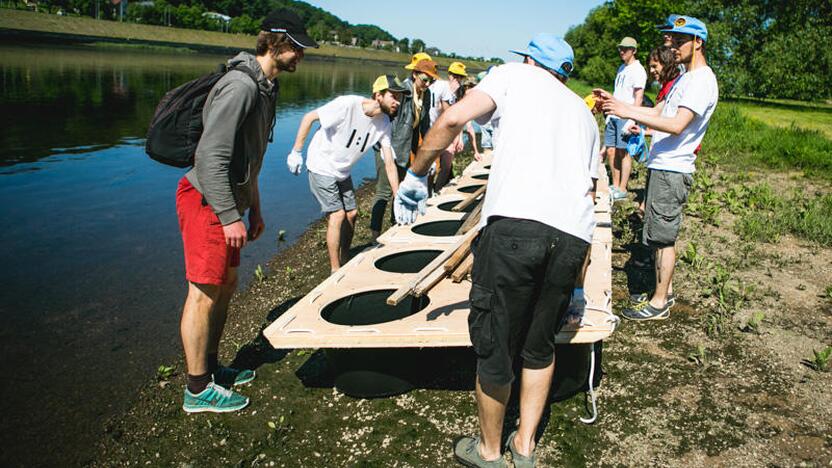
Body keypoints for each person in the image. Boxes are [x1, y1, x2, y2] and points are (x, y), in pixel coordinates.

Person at [395, 34, 598, 467]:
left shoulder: (512, 75)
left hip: (514, 230)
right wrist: (578, 284)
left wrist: (415, 176)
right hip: (572, 238)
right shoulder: (584, 115)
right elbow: (590, 190)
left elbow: (452, 119)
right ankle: (524, 448)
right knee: (540, 346)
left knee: (495, 346)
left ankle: (488, 452)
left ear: (529, 60)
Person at [176, 9, 316, 413]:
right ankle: (197, 389)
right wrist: (227, 215)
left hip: (230, 202)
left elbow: (249, 158)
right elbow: (210, 156)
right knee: (203, 293)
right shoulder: (240, 86)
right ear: (276, 43)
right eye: (298, 48)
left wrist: (253, 208)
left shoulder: (266, 88)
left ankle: (211, 368)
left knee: (226, 286)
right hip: (206, 200)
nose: (301, 56)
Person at [595, 15, 719, 321]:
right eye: (672, 40)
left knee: (663, 238)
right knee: (657, 233)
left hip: (674, 169)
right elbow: (658, 111)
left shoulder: (703, 81)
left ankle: (660, 302)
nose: (673, 46)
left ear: (697, 43)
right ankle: (665, 290)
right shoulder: (685, 79)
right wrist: (618, 105)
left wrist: (625, 110)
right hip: (662, 164)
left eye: (679, 41)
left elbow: (677, 125)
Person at [286, 75, 407, 272]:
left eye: (400, 98)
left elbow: (390, 164)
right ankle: (335, 270)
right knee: (337, 214)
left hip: (342, 170)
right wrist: (296, 151)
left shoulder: (384, 122)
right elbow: (309, 117)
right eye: (393, 96)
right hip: (321, 164)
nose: (397, 102)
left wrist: (398, 195)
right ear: (378, 95)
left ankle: (344, 257)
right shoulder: (347, 105)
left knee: (352, 213)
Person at [368, 55, 438, 241]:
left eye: (431, 80)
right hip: (388, 145)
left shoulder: (427, 94)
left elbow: (424, 125)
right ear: (414, 74)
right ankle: (374, 236)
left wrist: (427, 154)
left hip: (406, 147)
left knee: (399, 189)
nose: (427, 83)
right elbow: (387, 119)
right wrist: (387, 150)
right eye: (424, 79)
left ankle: (395, 227)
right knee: (384, 192)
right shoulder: (403, 90)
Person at [605, 37, 647, 201]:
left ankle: (623, 188)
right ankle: (615, 185)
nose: (622, 51)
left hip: (626, 115)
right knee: (611, 150)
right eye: (620, 48)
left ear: (634, 51)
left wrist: (632, 118)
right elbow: (617, 92)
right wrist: (609, 113)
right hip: (614, 114)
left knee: (624, 152)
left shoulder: (638, 70)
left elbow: (639, 96)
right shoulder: (621, 68)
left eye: (626, 49)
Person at [429, 61, 482, 190]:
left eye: (461, 77)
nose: (458, 80)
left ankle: (437, 190)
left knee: (446, 166)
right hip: (433, 132)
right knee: (432, 168)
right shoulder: (441, 88)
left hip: (446, 134)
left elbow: (464, 122)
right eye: (456, 76)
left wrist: (458, 138)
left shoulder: (458, 95)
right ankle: (429, 191)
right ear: (450, 76)